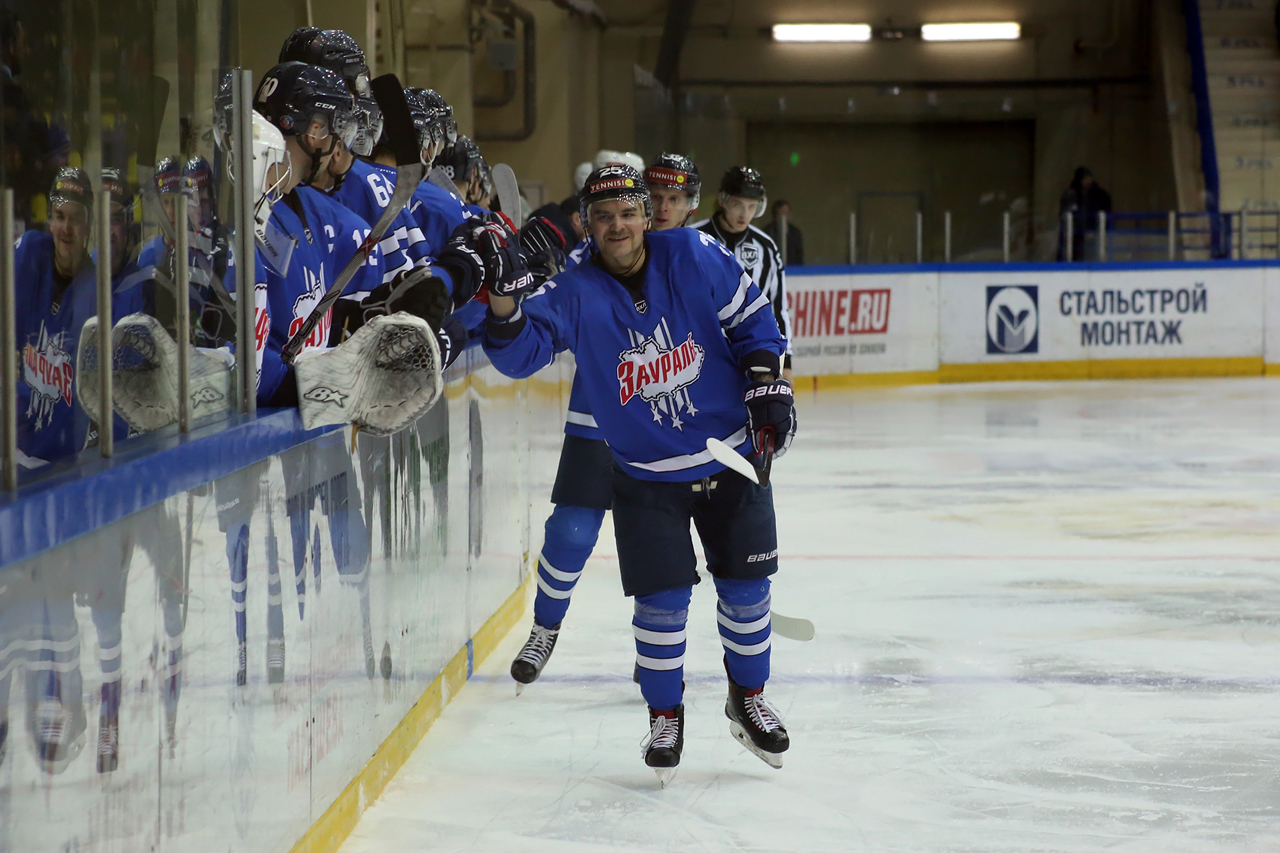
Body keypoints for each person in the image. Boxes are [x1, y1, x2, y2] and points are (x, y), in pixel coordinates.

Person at [487, 164, 796, 779]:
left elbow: (754, 321)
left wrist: (767, 382)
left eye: (628, 213)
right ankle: (664, 713)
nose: (617, 226)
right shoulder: (574, 290)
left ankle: (748, 699)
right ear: (588, 225)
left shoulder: (694, 253)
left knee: (747, 592)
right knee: (661, 603)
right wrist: (502, 298)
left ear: (646, 217)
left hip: (731, 456)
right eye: (603, 217)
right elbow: (520, 355)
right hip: (646, 474)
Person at [506, 154, 703, 694]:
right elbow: (554, 312)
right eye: (655, 199)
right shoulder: (592, 259)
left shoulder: (696, 257)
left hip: (673, 421)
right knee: (571, 531)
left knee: (662, 546)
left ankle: (655, 646)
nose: (663, 208)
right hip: (599, 417)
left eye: (672, 200)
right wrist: (521, 290)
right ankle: (545, 627)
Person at [694, 167, 793, 379]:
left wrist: (786, 362)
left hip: (752, 353)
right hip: (700, 354)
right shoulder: (694, 239)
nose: (744, 213)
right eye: (737, 204)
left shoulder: (766, 247)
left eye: (751, 206)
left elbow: (778, 306)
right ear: (723, 200)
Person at [1059, 166, 1111, 262]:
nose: (1087, 181)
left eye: (1089, 178)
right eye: (1084, 179)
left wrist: (1099, 229)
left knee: (1093, 256)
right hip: (1075, 236)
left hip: (1095, 233)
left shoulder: (1100, 194)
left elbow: (1106, 212)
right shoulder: (1070, 194)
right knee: (1075, 257)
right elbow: (1065, 214)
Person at [646, 153, 701, 231]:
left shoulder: (700, 239)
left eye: (673, 199)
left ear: (691, 204)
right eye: (656, 197)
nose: (662, 208)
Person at [764, 199, 803, 268]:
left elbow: (799, 255)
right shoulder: (766, 232)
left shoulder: (795, 232)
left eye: (785, 213)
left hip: (792, 269)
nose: (783, 217)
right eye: (779, 214)